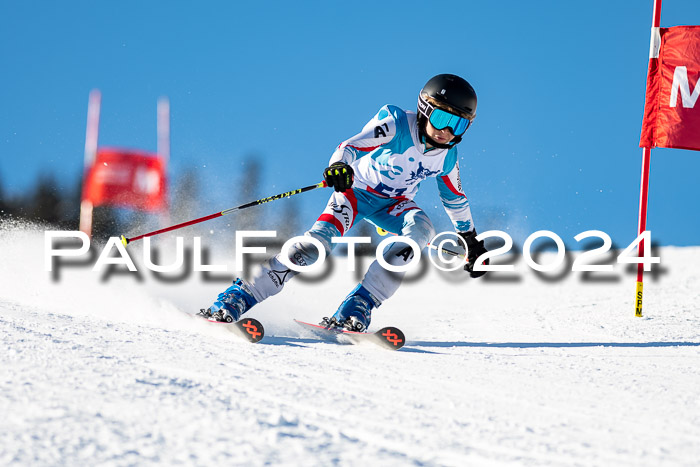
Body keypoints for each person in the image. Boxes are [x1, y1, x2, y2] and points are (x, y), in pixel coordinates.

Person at [199, 73, 489, 331]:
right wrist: (339, 166)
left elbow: (454, 199)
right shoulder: (397, 122)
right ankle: (239, 296)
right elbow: (350, 146)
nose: (447, 131)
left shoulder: (447, 156)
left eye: (458, 124)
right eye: (442, 118)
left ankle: (358, 306)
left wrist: (470, 240)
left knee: (421, 231)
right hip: (355, 193)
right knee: (314, 248)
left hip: (394, 205)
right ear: (425, 110)